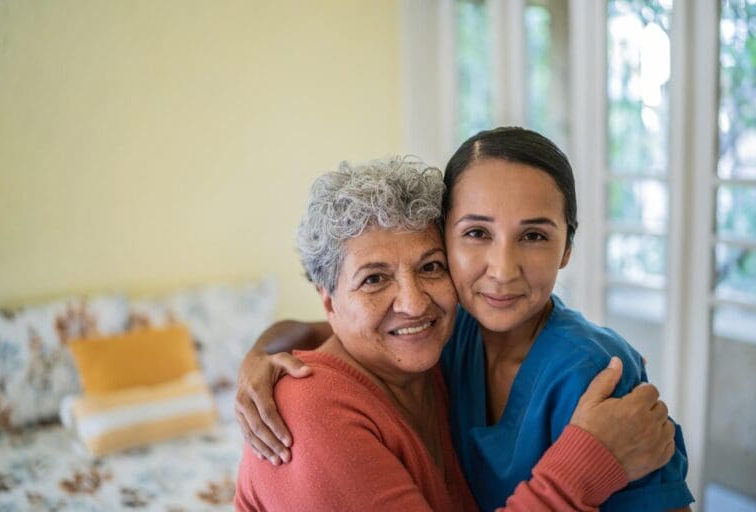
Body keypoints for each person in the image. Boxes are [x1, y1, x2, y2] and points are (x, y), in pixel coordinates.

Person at [237, 128, 694, 510]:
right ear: (329, 301)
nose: (414, 305)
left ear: (568, 248)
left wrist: (264, 350)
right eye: (374, 279)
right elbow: (318, 333)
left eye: (430, 267)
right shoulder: (307, 415)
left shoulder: (451, 345)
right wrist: (585, 464)